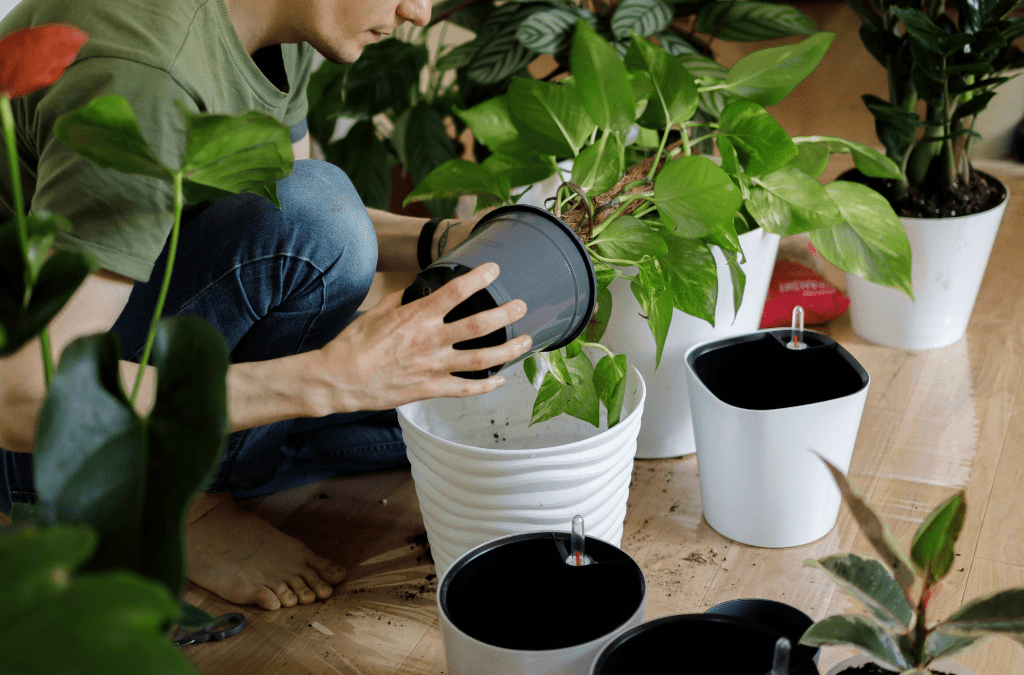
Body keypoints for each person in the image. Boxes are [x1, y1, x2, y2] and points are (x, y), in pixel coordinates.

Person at [0, 0, 531, 611]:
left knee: (441, 411)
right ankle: (183, 506)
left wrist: (438, 240)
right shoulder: (146, 76)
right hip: (32, 441)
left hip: (114, 344)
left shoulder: (281, 24)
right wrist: (329, 382)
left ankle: (217, 463)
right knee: (372, 370)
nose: (417, 12)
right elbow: (23, 397)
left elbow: (290, 216)